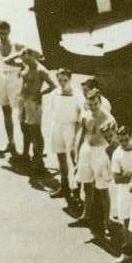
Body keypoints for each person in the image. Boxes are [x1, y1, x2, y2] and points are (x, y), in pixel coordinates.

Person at [71, 88, 116, 235]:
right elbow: (81, 134)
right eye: (90, 104)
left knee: (102, 189)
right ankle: (86, 215)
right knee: (87, 185)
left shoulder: (109, 119)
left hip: (100, 152)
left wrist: (111, 160)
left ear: (100, 102)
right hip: (86, 150)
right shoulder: (85, 116)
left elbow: (113, 141)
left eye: (95, 104)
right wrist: (77, 154)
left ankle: (107, 222)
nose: (93, 107)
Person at [0, 20, 24, 156]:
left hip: (15, 79)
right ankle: (11, 143)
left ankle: (27, 146)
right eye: (0, 32)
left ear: (9, 31)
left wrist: (23, 67)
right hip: (2, 78)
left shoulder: (16, 45)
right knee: (6, 112)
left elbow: (33, 54)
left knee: (21, 113)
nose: (2, 35)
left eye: (5, 32)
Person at [45, 68, 82, 203]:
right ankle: (64, 186)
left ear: (70, 79)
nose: (62, 83)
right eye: (59, 80)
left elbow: (81, 116)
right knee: (60, 157)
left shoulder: (77, 95)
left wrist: (77, 133)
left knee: (74, 159)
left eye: (65, 80)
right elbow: (52, 109)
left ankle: (77, 191)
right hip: (57, 126)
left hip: (71, 128)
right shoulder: (54, 93)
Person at [109, 127, 132, 263]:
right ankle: (128, 252)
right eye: (121, 140)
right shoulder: (117, 154)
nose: (124, 142)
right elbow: (116, 178)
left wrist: (128, 176)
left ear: (131, 137)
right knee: (126, 221)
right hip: (124, 193)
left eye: (126, 139)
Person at [19, 49, 55, 170]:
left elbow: (53, 86)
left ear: (33, 56)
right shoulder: (25, 66)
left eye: (28, 59)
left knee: (35, 131)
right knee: (24, 128)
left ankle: (38, 159)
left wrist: (41, 93)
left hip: (33, 102)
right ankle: (25, 154)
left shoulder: (41, 70)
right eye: (24, 59)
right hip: (23, 100)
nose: (25, 61)